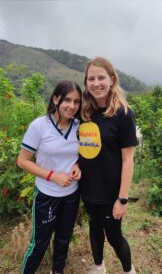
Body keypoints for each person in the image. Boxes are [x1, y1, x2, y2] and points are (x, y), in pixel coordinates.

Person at [79, 57, 137, 274]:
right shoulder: (85, 112)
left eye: (101, 77)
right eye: (90, 79)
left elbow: (128, 160)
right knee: (94, 228)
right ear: (86, 83)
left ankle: (128, 270)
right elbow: (82, 147)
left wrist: (122, 199)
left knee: (113, 235)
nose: (96, 83)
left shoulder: (123, 113)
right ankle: (98, 266)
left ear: (112, 80)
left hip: (111, 191)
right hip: (88, 187)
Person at [17, 80, 82, 274]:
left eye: (76, 102)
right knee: (39, 243)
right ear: (56, 99)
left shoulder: (80, 126)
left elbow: (82, 154)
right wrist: (52, 176)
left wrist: (78, 166)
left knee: (63, 238)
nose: (71, 106)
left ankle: (58, 271)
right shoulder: (39, 126)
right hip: (47, 195)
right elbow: (23, 161)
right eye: (67, 100)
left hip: (71, 195)